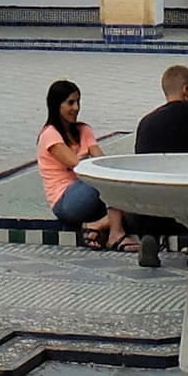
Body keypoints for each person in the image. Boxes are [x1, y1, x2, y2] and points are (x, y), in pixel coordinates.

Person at [128, 65, 188, 268]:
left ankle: (150, 237)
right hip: (184, 207)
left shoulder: (145, 122)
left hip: (147, 209)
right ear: (185, 90)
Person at [37, 79, 131, 251]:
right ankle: (115, 233)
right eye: (70, 103)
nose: (76, 108)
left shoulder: (83, 130)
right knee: (112, 186)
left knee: (133, 193)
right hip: (66, 201)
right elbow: (79, 167)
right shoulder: (50, 135)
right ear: (56, 105)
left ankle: (97, 227)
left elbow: (102, 161)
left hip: (89, 194)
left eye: (78, 102)